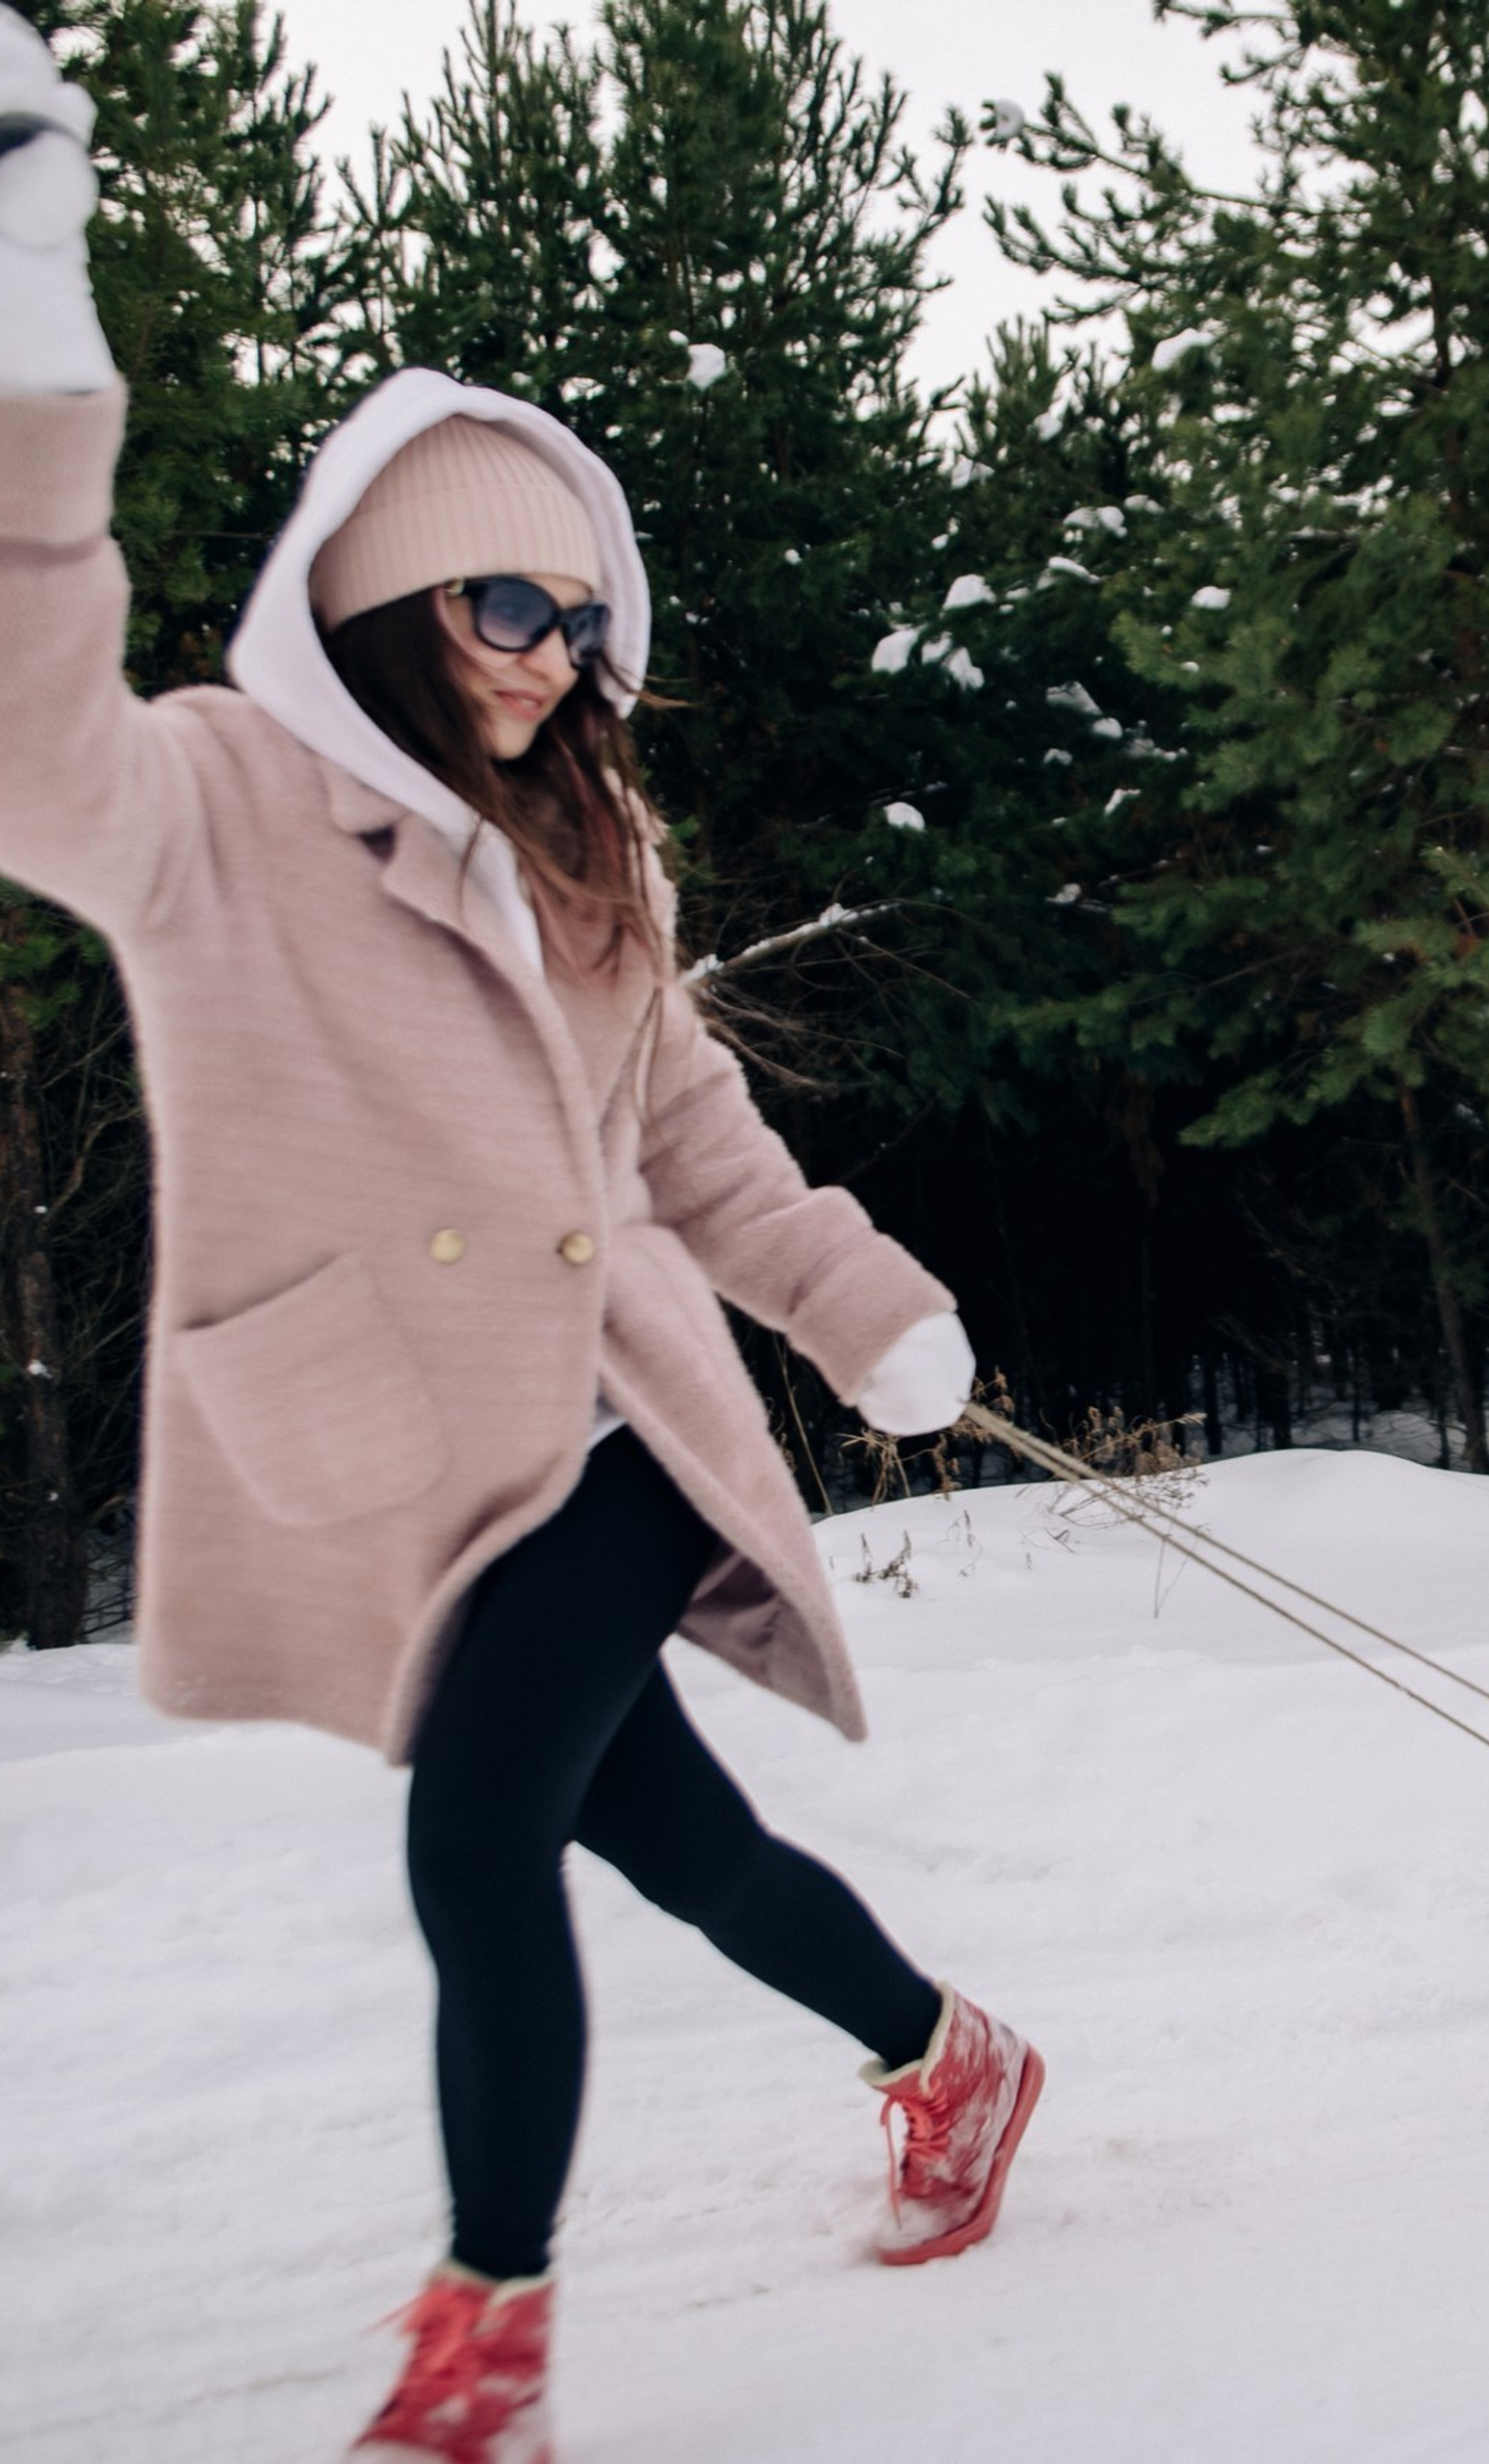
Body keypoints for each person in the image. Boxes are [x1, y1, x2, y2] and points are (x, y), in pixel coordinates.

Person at [0, 18, 1040, 2460]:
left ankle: (485, 2352)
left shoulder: (598, 860)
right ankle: (949, 2052)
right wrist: (36, 323)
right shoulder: (210, 803)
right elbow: (25, 741)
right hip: (391, 1454)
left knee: (474, 1834)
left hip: (618, 1431)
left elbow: (700, 1144)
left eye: (580, 615)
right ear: (377, 592)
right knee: (673, 1842)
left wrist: (870, 1312)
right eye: (501, 597)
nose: (552, 652)